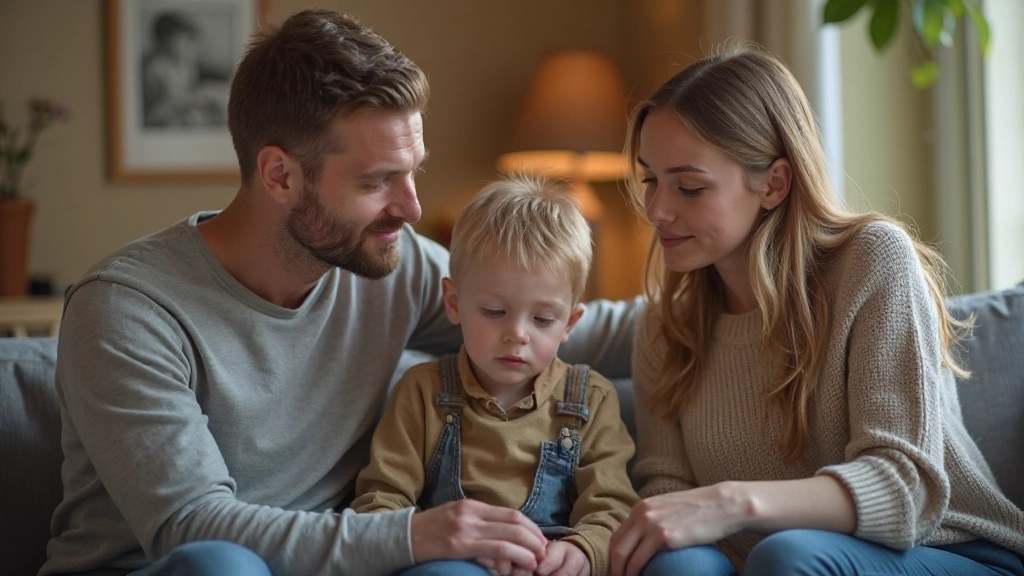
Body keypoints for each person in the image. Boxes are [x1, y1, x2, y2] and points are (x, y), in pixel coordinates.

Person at [41, 10, 640, 576]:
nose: (411, 209)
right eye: (379, 181)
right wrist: (415, 534)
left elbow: (582, 329)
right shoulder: (126, 310)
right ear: (279, 175)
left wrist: (729, 287)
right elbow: (190, 526)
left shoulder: (383, 266)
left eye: (413, 172)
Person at [606, 46, 1024, 576]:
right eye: (650, 180)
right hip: (768, 564)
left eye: (690, 187)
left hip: (947, 549)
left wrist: (733, 503)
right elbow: (669, 496)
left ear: (774, 184)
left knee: (789, 556)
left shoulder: (874, 261)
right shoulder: (666, 325)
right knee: (675, 564)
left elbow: (905, 487)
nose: (657, 210)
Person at [352, 175, 639, 576]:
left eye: (542, 319)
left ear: (570, 323)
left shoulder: (591, 399)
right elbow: (380, 501)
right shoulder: (422, 391)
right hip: (451, 561)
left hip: (548, 562)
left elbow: (611, 508)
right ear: (454, 302)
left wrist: (582, 550)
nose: (517, 335)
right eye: (493, 312)